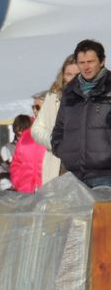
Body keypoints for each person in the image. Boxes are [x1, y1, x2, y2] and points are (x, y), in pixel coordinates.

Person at [52, 39, 111, 188]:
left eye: (90, 61)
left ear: (102, 61)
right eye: (82, 62)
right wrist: (61, 149)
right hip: (74, 176)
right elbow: (59, 127)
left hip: (106, 175)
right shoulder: (70, 91)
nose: (86, 67)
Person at [31, 54, 78, 186]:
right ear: (63, 76)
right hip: (58, 167)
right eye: (69, 74)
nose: (72, 78)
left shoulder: (96, 97)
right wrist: (54, 142)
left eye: (77, 74)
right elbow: (37, 128)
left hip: (85, 168)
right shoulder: (54, 97)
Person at [12, 94, 50, 193]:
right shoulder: (26, 134)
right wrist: (18, 182)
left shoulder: (57, 130)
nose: (34, 110)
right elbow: (16, 162)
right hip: (27, 193)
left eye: (37, 107)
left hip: (50, 191)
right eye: (33, 107)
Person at [0, 115, 32, 190]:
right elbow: (2, 173)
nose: (20, 137)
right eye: (18, 133)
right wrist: (11, 189)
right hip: (17, 194)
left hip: (37, 192)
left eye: (24, 133)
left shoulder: (38, 147)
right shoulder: (8, 149)